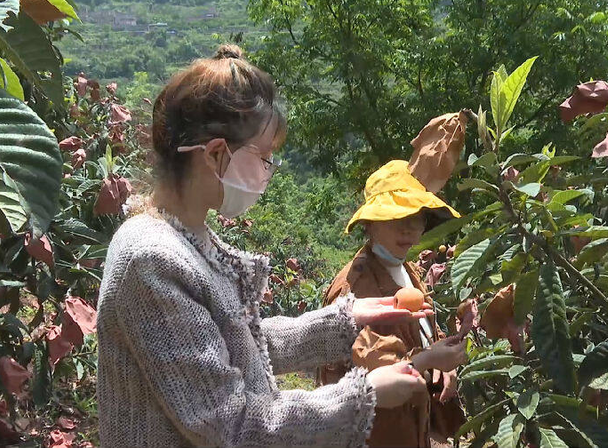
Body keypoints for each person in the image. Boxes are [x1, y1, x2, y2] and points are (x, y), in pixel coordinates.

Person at [96, 45, 436, 448]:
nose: (268, 171)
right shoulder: (151, 261)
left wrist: (345, 321)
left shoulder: (187, 236)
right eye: (264, 157)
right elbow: (230, 424)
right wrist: (363, 395)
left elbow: (236, 342)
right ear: (217, 154)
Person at [319, 114, 470, 448]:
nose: (408, 230)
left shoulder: (409, 270)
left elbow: (426, 331)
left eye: (416, 218)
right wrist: (429, 362)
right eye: (395, 218)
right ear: (370, 224)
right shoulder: (354, 288)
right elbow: (376, 373)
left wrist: (443, 364)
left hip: (408, 426)